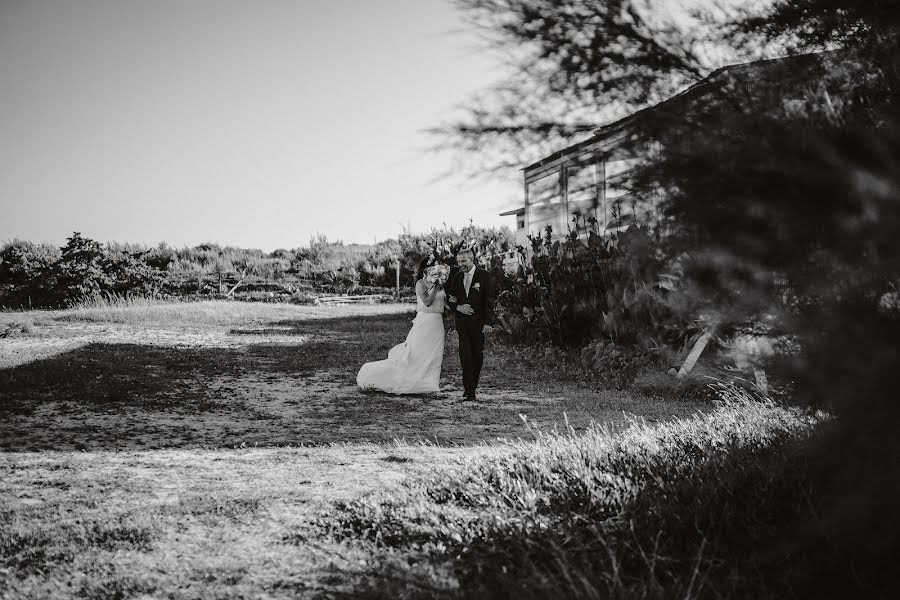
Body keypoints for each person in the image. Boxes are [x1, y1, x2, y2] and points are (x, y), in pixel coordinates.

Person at [356, 256, 448, 394]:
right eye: (433, 267)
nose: (436, 269)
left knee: (434, 354)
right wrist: (436, 286)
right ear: (425, 270)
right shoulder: (421, 283)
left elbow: (444, 302)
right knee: (417, 355)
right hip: (425, 322)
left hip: (437, 323)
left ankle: (431, 386)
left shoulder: (442, 284)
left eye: (437, 267)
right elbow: (427, 302)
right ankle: (377, 376)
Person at [446, 247, 494, 401]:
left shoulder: (484, 275)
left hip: (478, 324)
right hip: (462, 324)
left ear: (471, 259)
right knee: (465, 354)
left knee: (477, 355)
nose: (461, 264)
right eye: (459, 262)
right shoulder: (457, 277)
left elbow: (489, 300)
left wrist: (488, 323)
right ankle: (469, 389)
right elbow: (451, 298)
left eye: (463, 261)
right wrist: (458, 307)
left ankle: (473, 385)